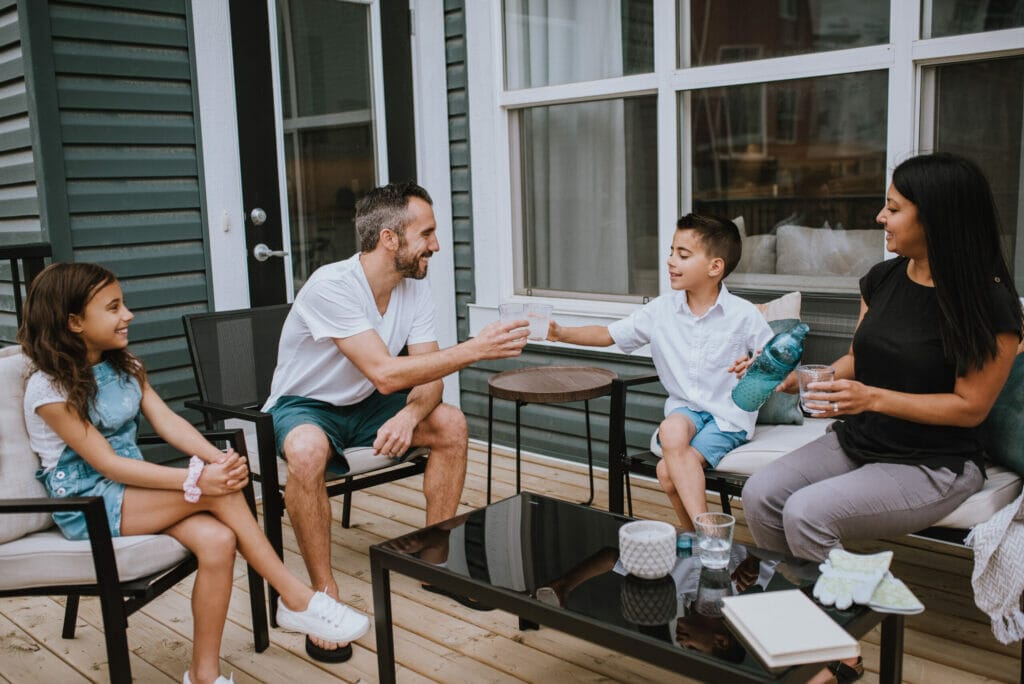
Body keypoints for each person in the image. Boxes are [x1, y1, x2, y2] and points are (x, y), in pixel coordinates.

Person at [19, 263, 371, 684]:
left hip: (132, 488)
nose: (127, 315)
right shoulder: (49, 389)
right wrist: (198, 482)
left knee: (219, 539)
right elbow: (106, 464)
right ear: (74, 322)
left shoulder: (123, 365)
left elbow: (168, 423)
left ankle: (204, 674)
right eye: (113, 308)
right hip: (88, 504)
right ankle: (294, 598)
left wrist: (215, 459)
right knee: (217, 493)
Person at [262, 180, 529, 661]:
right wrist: (476, 349)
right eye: (426, 233)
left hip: (366, 402)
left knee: (449, 424)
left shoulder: (412, 288)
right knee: (306, 452)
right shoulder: (332, 286)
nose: (436, 245)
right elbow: (386, 373)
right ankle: (323, 594)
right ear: (390, 239)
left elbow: (430, 378)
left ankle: (436, 563)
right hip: (307, 404)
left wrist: (411, 414)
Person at [742, 151, 1023, 562]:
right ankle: (795, 605)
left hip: (935, 463)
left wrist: (871, 398)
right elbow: (857, 355)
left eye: (893, 208)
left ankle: (844, 612)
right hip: (861, 439)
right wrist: (794, 379)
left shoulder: (990, 304)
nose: (879, 217)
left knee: (806, 515)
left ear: (936, 218)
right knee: (760, 494)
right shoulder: (883, 278)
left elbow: (970, 408)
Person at [548, 213, 772, 530]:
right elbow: (608, 334)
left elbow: (777, 356)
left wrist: (758, 363)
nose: (670, 261)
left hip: (728, 416)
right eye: (671, 252)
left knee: (667, 471)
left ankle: (697, 533)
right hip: (686, 411)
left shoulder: (743, 315)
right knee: (671, 430)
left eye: (682, 255)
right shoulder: (661, 310)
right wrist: (561, 333)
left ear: (714, 267)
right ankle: (706, 532)